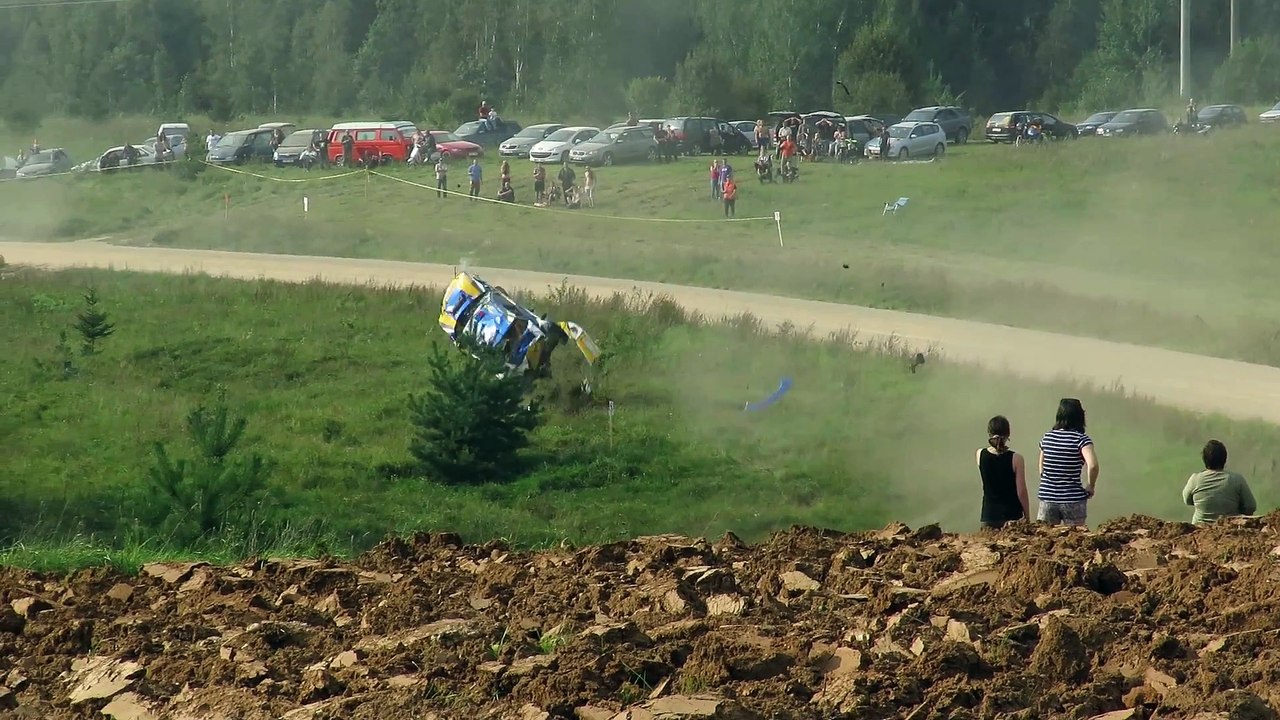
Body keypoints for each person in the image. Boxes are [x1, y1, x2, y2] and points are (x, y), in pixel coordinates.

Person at [1037, 398, 1099, 527]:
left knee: (1044, 539)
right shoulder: (1081, 439)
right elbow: (1092, 465)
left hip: (1047, 498)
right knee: (1076, 540)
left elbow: (1041, 466)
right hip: (1072, 499)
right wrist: (1090, 486)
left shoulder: (1047, 437)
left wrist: (1048, 482)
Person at [1182, 440, 1257, 525]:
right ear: (1224, 459)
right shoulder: (1236, 479)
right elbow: (1250, 507)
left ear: (1204, 459)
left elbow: (1187, 500)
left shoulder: (1195, 479)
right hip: (1229, 530)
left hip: (1199, 530)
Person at [977, 416, 1029, 529]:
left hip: (988, 516)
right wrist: (1027, 516)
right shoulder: (1017, 458)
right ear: (1008, 434)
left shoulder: (980, 454)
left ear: (989, 433)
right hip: (1012, 517)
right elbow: (1021, 491)